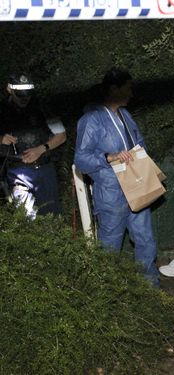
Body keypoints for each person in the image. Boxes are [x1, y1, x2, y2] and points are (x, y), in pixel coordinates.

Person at [74, 67, 160, 287]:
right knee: (110, 249)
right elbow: (81, 159)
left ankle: (150, 293)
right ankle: (108, 297)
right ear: (114, 89)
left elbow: (140, 142)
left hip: (137, 187)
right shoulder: (91, 120)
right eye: (128, 88)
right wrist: (109, 157)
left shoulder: (125, 114)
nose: (132, 94)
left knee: (146, 241)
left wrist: (139, 155)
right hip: (111, 194)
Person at [0, 73, 66, 217]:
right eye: (20, 95)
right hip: (16, 173)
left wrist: (41, 149)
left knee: (52, 218)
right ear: (9, 89)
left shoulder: (42, 108)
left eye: (27, 94)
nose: (25, 98)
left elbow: (61, 136)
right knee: (27, 219)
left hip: (45, 170)